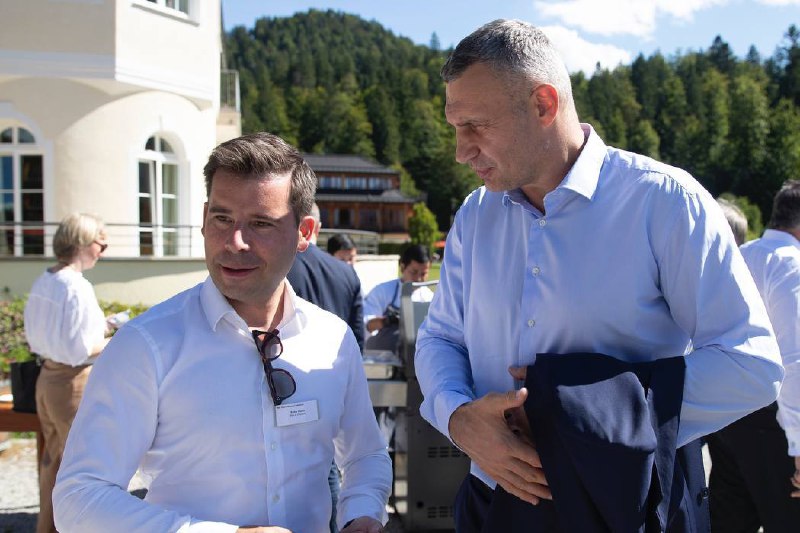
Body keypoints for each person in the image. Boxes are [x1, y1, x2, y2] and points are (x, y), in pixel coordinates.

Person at [414, 19, 783, 531]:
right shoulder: (476, 215)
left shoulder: (664, 202)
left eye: (476, 125)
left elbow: (752, 364)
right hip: (492, 500)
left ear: (543, 104)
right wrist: (457, 418)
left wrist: (580, 420)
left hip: (627, 506)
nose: (461, 150)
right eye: (456, 127)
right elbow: (441, 338)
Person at [53, 133, 391, 533]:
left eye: (261, 223)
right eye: (222, 218)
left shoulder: (332, 338)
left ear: (304, 232)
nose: (235, 242)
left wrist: (362, 513)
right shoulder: (147, 345)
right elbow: (79, 497)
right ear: (203, 218)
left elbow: (365, 454)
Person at [707, 181, 800, 532]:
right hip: (774, 424)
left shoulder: (742, 256)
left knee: (729, 523)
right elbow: (794, 361)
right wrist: (798, 446)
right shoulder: (791, 266)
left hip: (729, 416)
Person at [23, 212, 112, 533]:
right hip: (72, 382)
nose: (102, 251)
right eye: (101, 244)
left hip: (47, 378)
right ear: (83, 243)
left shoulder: (45, 279)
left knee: (54, 462)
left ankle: (47, 527)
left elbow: (39, 335)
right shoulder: (76, 286)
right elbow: (82, 349)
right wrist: (120, 338)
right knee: (81, 467)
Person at [286, 202, 366, 533]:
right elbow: (358, 340)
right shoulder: (346, 273)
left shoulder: (276, 269)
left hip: (284, 385)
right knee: (328, 468)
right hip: (332, 386)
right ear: (316, 228)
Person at [363, 244, 434, 351]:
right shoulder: (382, 291)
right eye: (414, 272)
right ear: (402, 267)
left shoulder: (429, 297)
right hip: (384, 353)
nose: (419, 279)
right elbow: (367, 325)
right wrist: (387, 321)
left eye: (423, 274)